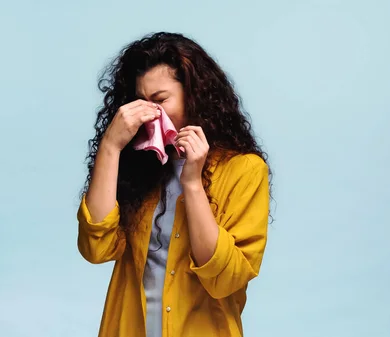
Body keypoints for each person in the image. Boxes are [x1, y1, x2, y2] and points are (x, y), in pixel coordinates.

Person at [77, 32, 272, 337]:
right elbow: (96, 248)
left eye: (160, 100)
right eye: (140, 102)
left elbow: (225, 279)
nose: (150, 113)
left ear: (194, 95)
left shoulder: (244, 170)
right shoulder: (140, 168)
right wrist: (111, 147)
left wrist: (192, 183)